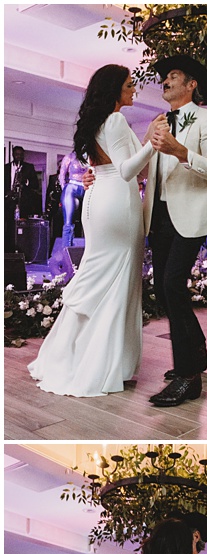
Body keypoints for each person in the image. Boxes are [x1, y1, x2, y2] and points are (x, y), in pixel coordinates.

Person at [27, 65, 152, 398]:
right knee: (118, 280)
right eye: (128, 85)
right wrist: (152, 142)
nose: (133, 90)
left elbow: (113, 167)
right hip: (118, 205)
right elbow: (127, 170)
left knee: (100, 275)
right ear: (113, 89)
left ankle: (76, 354)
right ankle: (104, 363)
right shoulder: (115, 120)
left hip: (98, 200)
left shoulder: (98, 122)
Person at [143, 55, 207, 407]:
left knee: (173, 284)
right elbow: (142, 165)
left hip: (191, 214)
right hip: (158, 215)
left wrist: (181, 152)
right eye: (164, 77)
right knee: (162, 290)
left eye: (173, 76)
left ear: (192, 84)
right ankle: (196, 348)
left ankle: (187, 376)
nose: (165, 80)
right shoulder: (158, 121)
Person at [58, 152, 88, 247]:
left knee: (90, 222)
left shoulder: (91, 157)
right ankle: (66, 251)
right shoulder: (70, 157)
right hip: (72, 187)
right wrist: (64, 189)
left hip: (87, 189)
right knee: (68, 223)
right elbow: (62, 175)